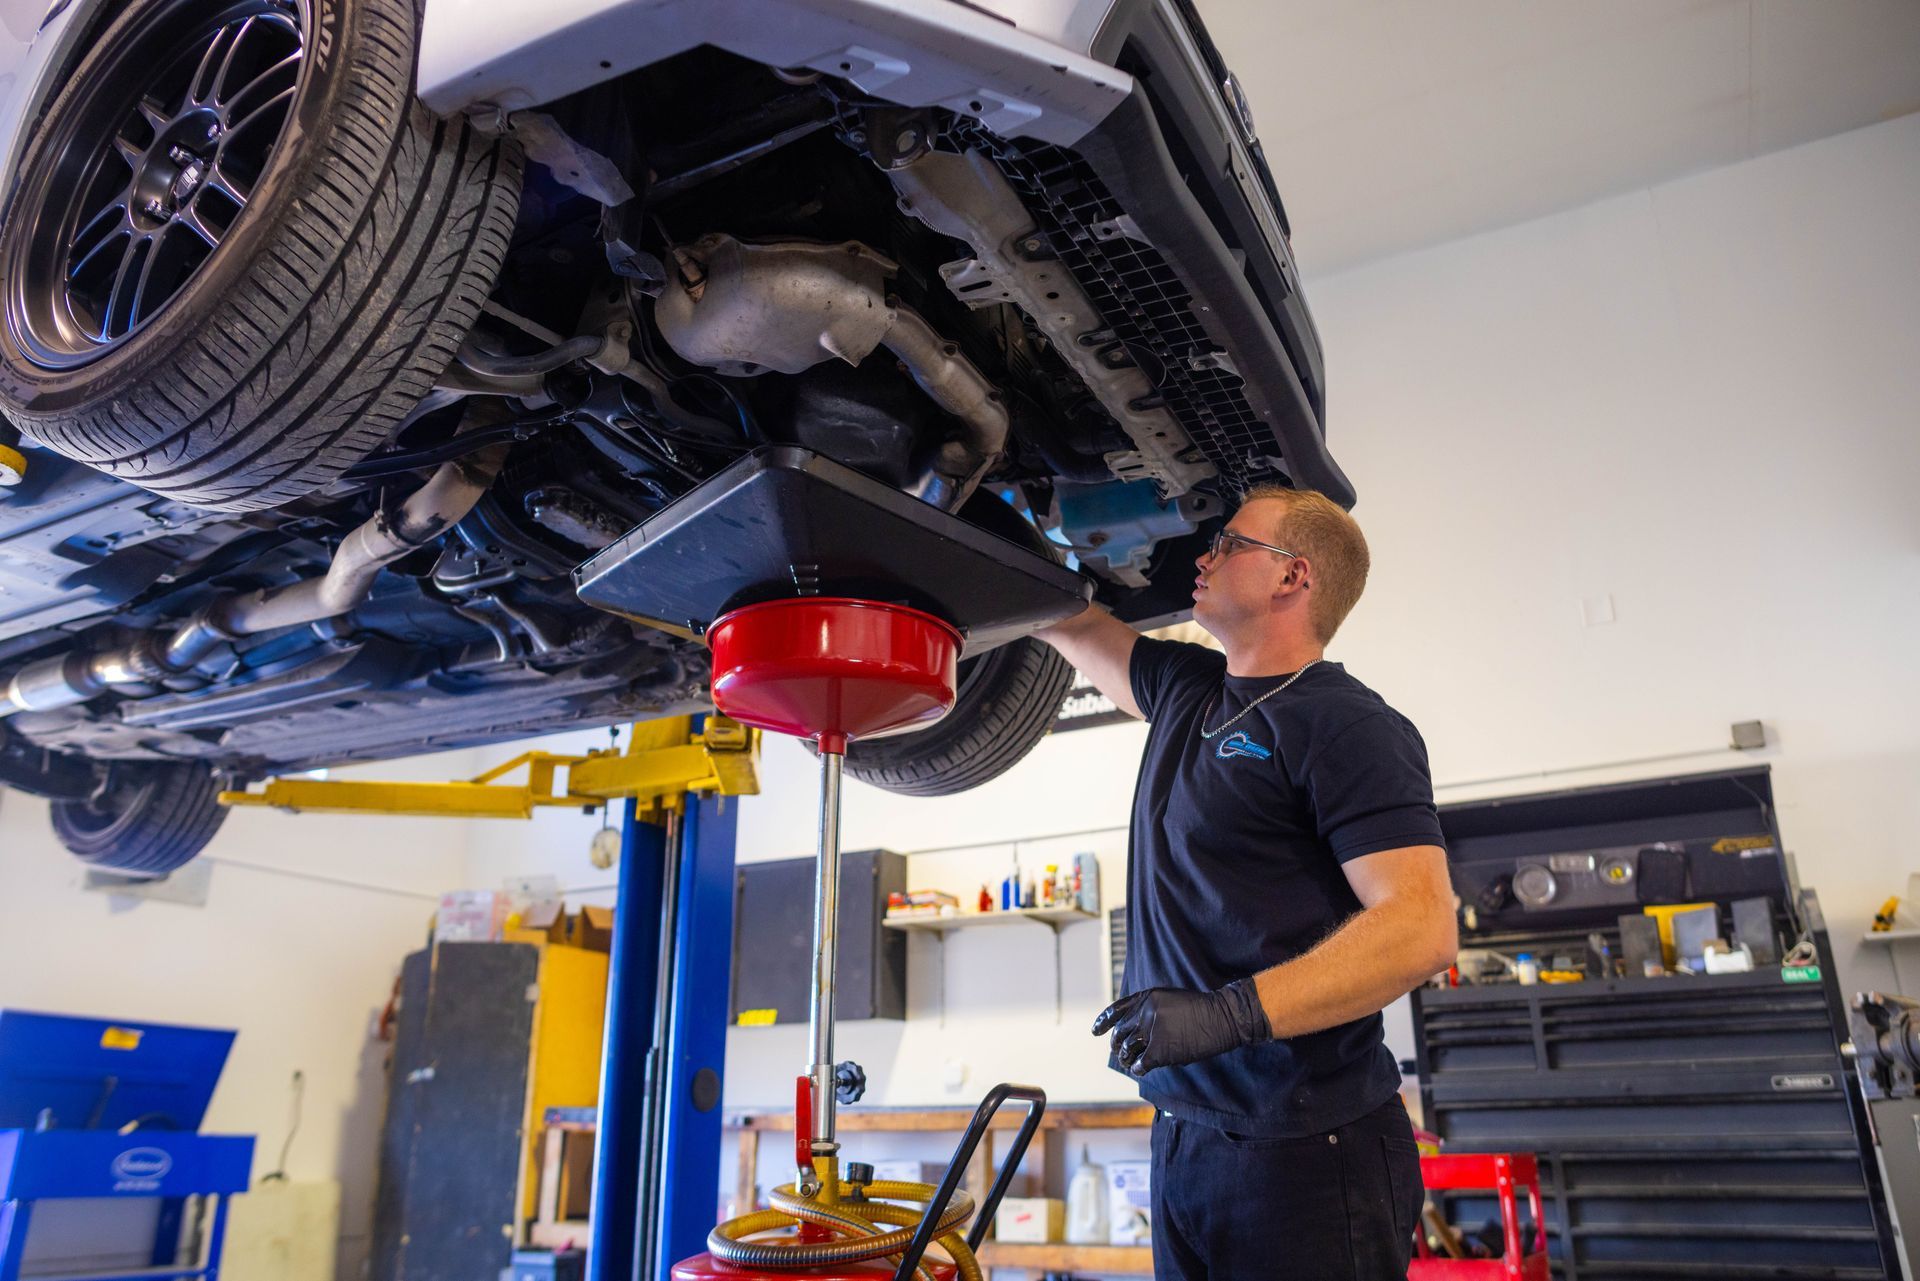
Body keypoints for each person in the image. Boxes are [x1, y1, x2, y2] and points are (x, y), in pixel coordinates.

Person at [1035, 484, 1456, 1280]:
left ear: (1292, 577)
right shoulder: (1187, 687)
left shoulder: (1349, 725)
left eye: (1230, 544)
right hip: (1187, 1131)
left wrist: (1225, 1017)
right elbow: (1069, 620)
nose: (1204, 555)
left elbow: (1420, 927)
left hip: (1307, 1150)